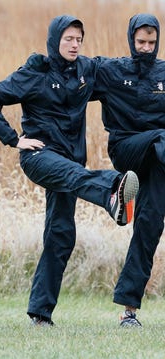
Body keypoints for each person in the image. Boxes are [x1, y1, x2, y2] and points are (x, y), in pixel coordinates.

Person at [0, 15, 139, 327]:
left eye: (79, 39)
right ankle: (112, 190)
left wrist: (150, 69)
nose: (75, 44)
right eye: (69, 39)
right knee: (77, 178)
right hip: (39, 156)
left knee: (61, 235)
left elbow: (121, 69)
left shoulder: (86, 70)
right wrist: (14, 140)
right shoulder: (35, 71)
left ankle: (40, 314)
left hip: (71, 164)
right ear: (55, 40)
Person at [93, 13, 165, 327]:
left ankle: (128, 311)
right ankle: (119, 188)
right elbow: (71, 81)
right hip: (127, 150)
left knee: (150, 224)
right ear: (131, 39)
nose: (146, 48)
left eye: (151, 42)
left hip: (159, 160)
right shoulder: (111, 71)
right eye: (141, 42)